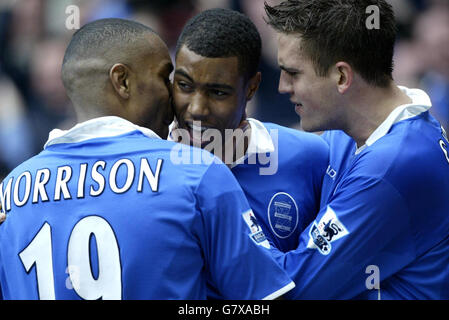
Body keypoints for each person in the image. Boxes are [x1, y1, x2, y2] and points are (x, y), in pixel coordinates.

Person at [0, 18, 295, 300]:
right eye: (164, 77)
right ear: (123, 81)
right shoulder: (196, 173)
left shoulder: (9, 193)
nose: (173, 94)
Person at [264, 0, 449, 299]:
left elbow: (288, 288)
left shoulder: (390, 169)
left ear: (341, 77)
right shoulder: (357, 129)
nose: (283, 87)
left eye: (293, 73)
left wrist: (224, 208)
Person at [170, 8, 329, 253]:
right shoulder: (148, 163)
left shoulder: (310, 157)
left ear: (251, 88)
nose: (197, 109)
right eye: (184, 86)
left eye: (218, 92)